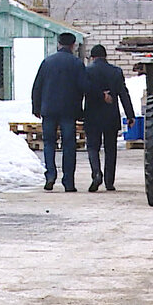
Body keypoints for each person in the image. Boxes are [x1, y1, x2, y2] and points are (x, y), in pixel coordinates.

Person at [31, 32, 89, 192]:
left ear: (58, 44)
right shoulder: (77, 63)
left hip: (48, 109)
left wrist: (36, 107)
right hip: (69, 111)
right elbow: (84, 87)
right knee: (69, 145)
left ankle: (50, 175)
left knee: (49, 143)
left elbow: (37, 86)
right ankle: (68, 181)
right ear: (73, 45)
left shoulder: (47, 62)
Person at [83, 45, 137, 192]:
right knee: (110, 149)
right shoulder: (116, 72)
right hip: (110, 116)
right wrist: (130, 115)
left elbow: (83, 91)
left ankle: (96, 173)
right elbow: (123, 94)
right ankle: (109, 181)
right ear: (105, 56)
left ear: (92, 57)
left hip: (92, 115)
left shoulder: (87, 71)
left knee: (93, 147)